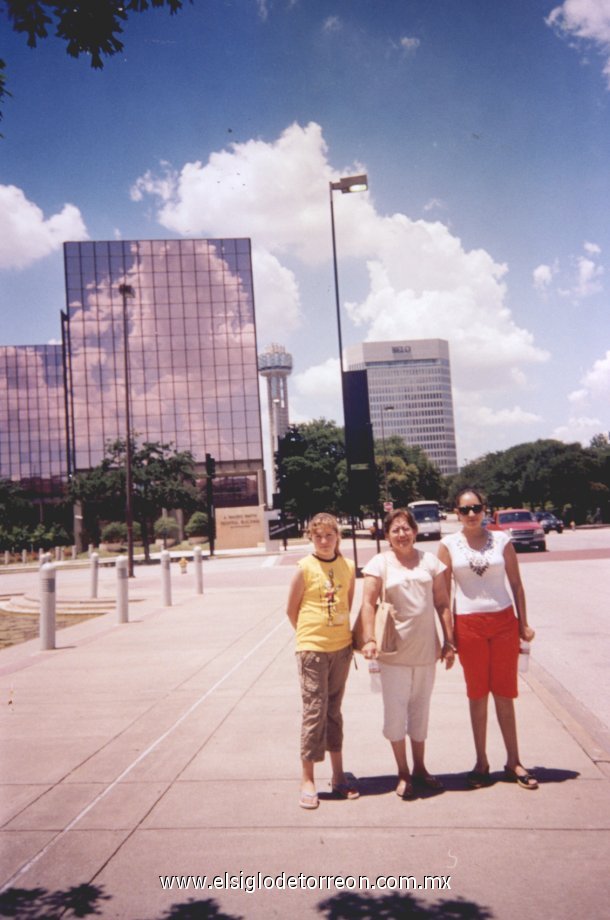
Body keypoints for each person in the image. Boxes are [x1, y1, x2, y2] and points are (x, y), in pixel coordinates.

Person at [437, 488, 538, 790]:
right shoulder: (448, 545)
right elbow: (443, 596)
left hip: (504, 621)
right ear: (456, 513)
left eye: (476, 508)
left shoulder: (502, 540)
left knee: (505, 693)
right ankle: (481, 762)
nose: (471, 515)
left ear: (484, 510)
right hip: (468, 625)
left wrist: (524, 623)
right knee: (477, 693)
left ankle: (514, 760)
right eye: (464, 510)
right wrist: (449, 637)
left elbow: (517, 584)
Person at [360, 509, 455, 799]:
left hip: (427, 651)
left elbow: (442, 603)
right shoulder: (379, 563)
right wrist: (370, 639)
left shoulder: (431, 562)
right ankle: (402, 772)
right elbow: (368, 603)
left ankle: (420, 768)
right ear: (387, 536)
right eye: (395, 530)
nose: (402, 534)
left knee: (420, 712)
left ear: (415, 531)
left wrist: (449, 642)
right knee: (395, 714)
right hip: (393, 652)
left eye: (406, 528)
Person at [286, 512, 358, 809]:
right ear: (311, 539)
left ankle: (339, 775)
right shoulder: (304, 568)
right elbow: (291, 610)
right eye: (318, 536)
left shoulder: (348, 567)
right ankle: (307, 779)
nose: (324, 541)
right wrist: (310, 638)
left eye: (329, 535)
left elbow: (348, 604)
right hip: (312, 649)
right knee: (315, 711)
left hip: (341, 648)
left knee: (334, 711)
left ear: (337, 536)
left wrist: (340, 637)